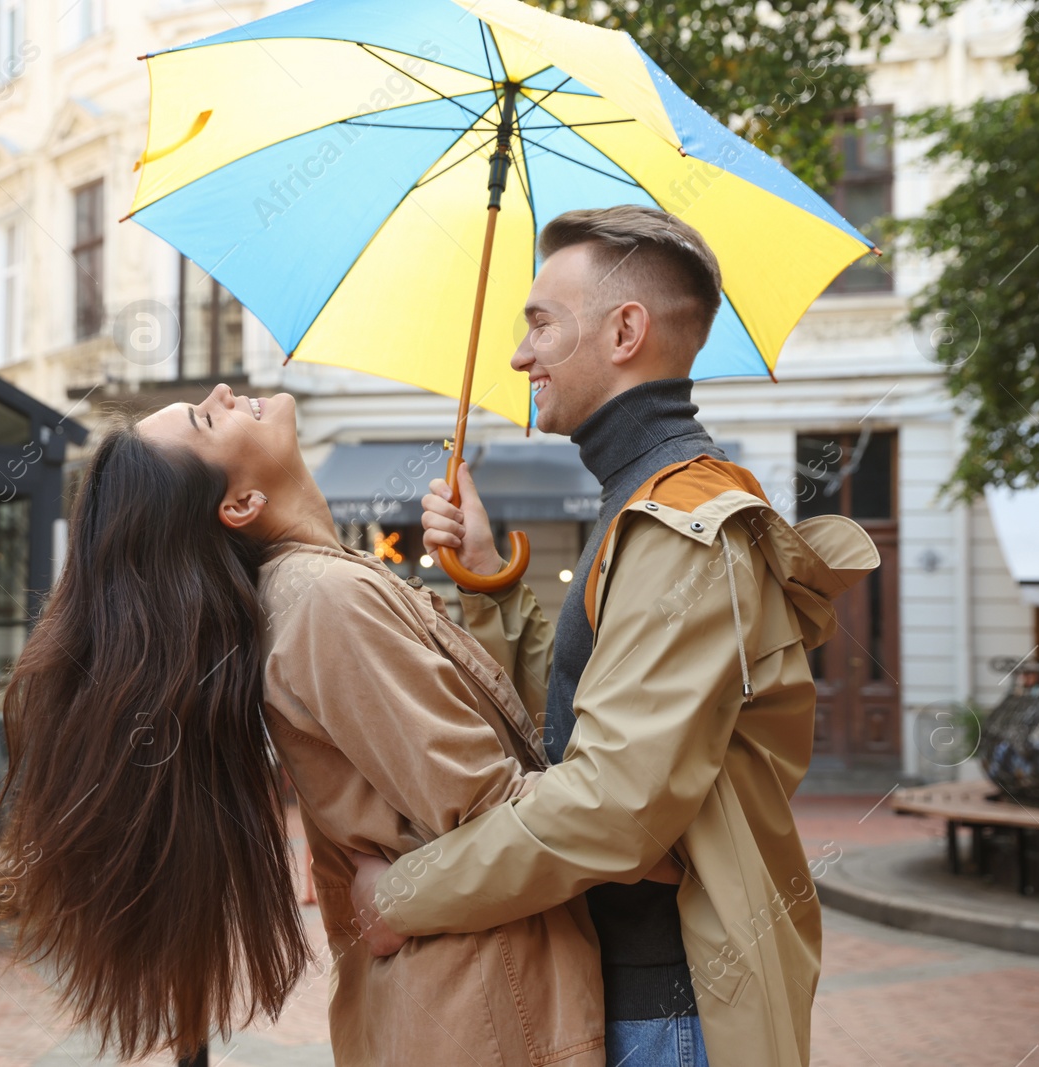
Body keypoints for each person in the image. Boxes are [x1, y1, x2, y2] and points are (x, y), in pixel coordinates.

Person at [350, 206, 880, 1067]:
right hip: (630, 998)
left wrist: (402, 897)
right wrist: (486, 573)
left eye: (540, 323)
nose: (521, 355)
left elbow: (610, 805)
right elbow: (575, 720)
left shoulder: (681, 524)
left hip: (670, 1012)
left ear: (626, 330)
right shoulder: (639, 500)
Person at [0, 384, 614, 1066]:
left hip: (469, 1001)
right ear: (240, 504)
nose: (220, 391)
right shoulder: (325, 601)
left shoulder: (322, 588)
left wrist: (482, 580)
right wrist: (649, 819)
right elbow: (497, 813)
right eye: (205, 419)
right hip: (492, 1012)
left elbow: (485, 752)